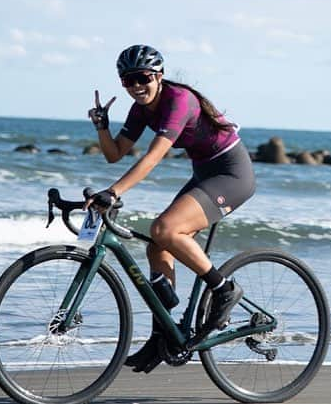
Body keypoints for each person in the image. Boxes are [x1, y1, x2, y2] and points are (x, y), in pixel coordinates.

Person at [85, 44, 256, 374]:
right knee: (157, 247)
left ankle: (224, 289)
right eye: (127, 81)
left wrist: (113, 191)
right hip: (205, 172)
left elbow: (152, 157)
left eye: (142, 78)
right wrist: (102, 126)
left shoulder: (179, 100)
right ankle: (163, 334)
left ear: (158, 76)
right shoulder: (140, 108)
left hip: (232, 174)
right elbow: (115, 153)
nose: (136, 86)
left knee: (164, 229)